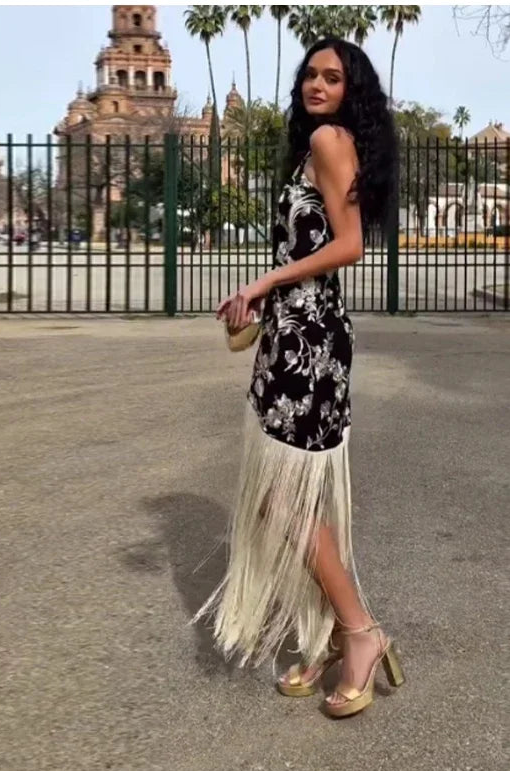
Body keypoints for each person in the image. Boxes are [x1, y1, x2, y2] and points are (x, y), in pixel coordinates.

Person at [191, 38, 404, 718]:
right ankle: (324, 637)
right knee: (293, 501)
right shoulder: (320, 142)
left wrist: (267, 279)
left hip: (310, 338)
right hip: (293, 332)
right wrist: (265, 298)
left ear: (351, 90)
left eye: (332, 77)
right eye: (310, 74)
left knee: (284, 501)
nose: (316, 84)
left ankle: (360, 632)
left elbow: (350, 245)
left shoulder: (330, 141)